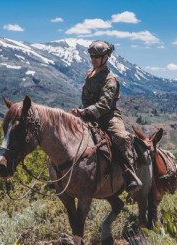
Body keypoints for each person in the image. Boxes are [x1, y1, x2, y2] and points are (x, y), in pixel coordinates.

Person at [71, 40, 142, 194]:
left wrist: (85, 111)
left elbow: (104, 104)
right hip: (89, 114)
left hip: (108, 116)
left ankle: (130, 174)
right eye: (92, 56)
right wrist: (81, 111)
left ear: (106, 57)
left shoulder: (110, 80)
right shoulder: (89, 74)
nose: (93, 59)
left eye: (97, 57)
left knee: (121, 137)